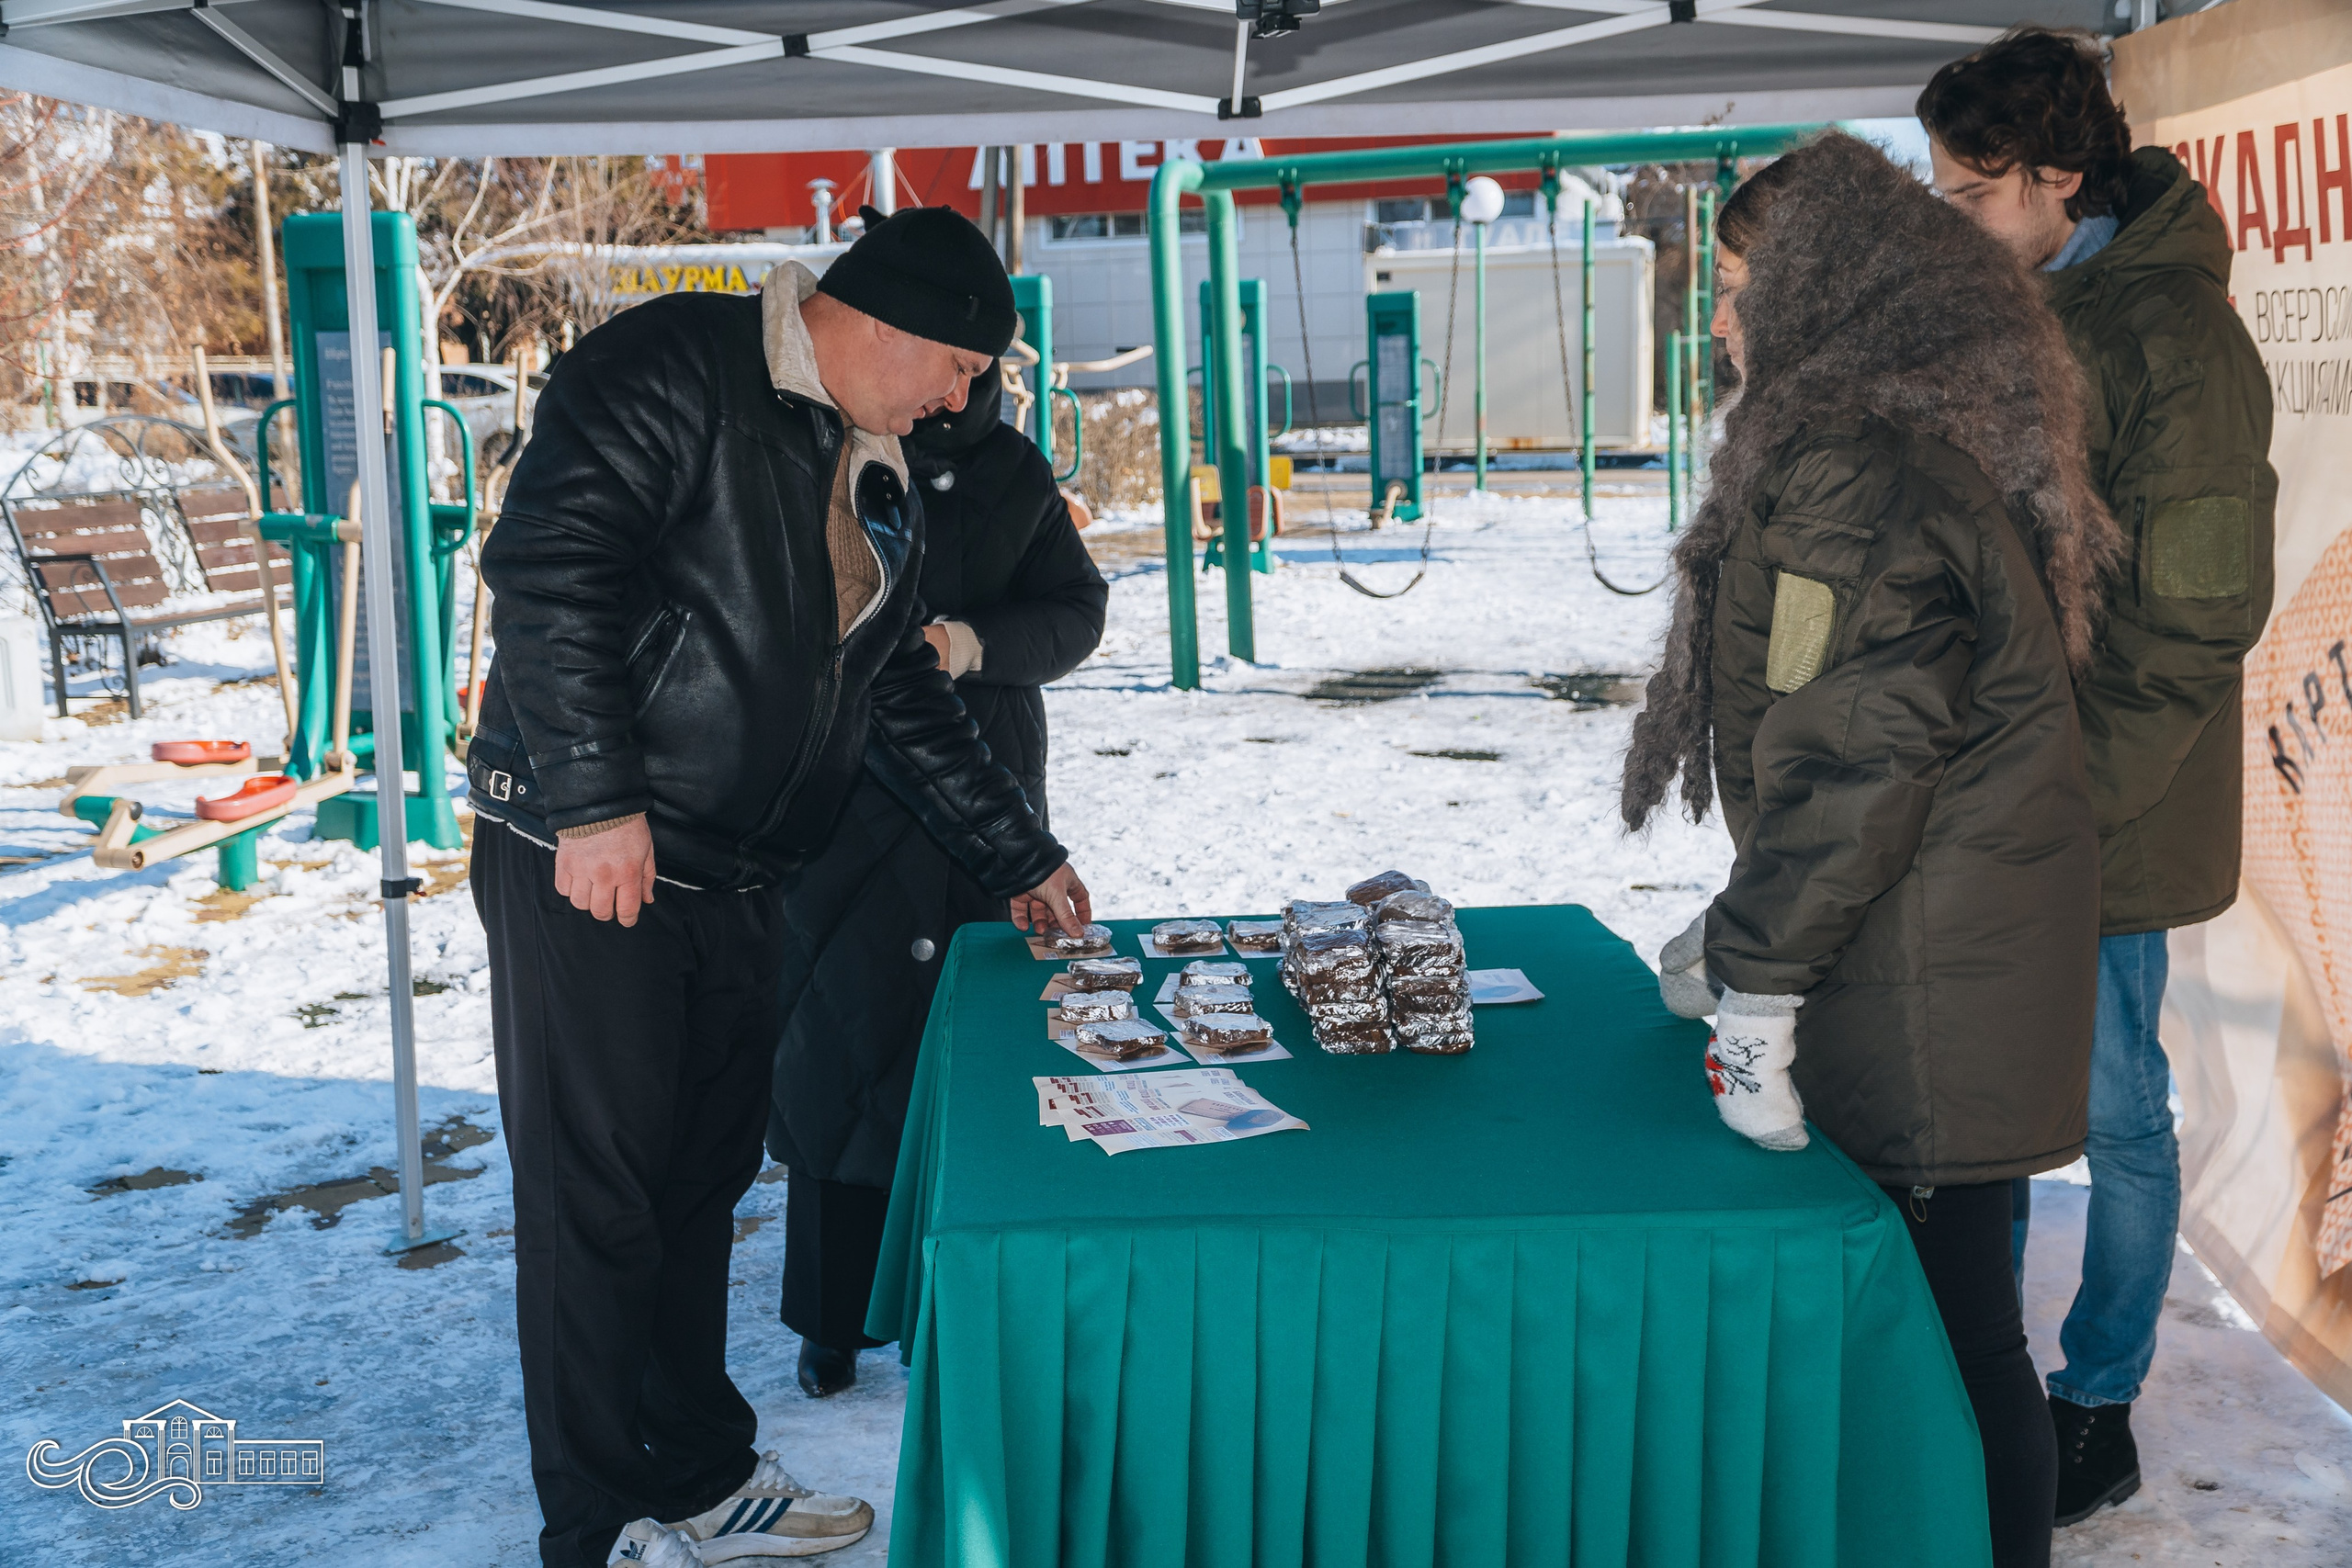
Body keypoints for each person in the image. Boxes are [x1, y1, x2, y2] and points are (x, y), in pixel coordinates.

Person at [468, 205, 1095, 1568]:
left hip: (739, 871)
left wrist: (1021, 854)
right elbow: (547, 571)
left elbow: (895, 692)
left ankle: (699, 1471)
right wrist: (596, 800)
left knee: (697, 1186)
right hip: (591, 857)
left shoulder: (874, 453)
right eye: (958, 365)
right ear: (879, 323)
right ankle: (593, 1521)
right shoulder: (673, 366)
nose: (962, 395)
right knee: (598, 1201)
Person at [1629, 133, 2118, 1568]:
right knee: (1960, 1327)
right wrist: (1738, 933)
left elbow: (1855, 756)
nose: (1717, 322)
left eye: (1735, 290)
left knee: (1957, 1340)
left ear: (1823, 294)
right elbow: (1825, 718)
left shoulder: (1854, 466)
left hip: (1920, 980)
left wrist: (1762, 983)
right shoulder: (1892, 435)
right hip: (1928, 952)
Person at [1918, 28, 2278, 1527]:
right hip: (1988, 791)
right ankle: (1982, 1377)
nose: (1944, 208)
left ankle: (2097, 1399)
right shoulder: (2010, 297)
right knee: (1987, 1104)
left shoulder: (2176, 346)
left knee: (2113, 1099)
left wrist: (2062, 798)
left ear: (2063, 175)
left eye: (1971, 183)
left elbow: (2193, 620)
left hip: (2102, 801)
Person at [767, 359, 1107, 1398]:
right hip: (842, 793)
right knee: (843, 1044)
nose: (952, 398)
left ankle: (962, 1303)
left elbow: (1077, 612)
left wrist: (967, 643)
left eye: (976, 372)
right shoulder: (821, 450)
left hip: (986, 791)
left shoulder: (1013, 469)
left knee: (982, 1054)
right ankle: (832, 1316)